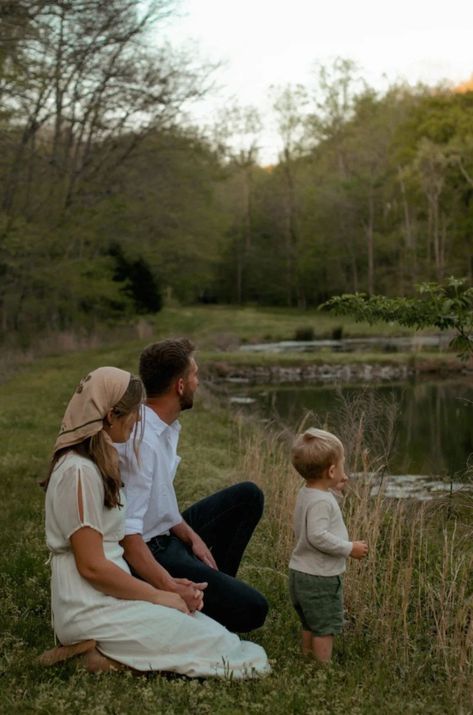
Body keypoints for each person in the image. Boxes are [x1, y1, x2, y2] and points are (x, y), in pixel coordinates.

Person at [41, 366, 270, 677]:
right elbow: (92, 566)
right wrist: (160, 595)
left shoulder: (95, 465)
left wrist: (170, 587)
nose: (138, 420)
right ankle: (96, 658)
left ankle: (105, 656)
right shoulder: (78, 472)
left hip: (112, 590)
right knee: (232, 657)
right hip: (89, 604)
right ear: (111, 416)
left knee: (221, 638)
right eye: (134, 412)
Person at [116, 338, 269, 633]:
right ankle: (204, 606)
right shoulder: (144, 442)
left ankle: (211, 589)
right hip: (151, 550)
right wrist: (168, 585)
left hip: (166, 531)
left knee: (247, 496)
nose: (198, 382)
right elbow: (129, 535)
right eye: (195, 375)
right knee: (253, 610)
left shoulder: (163, 426)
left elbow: (159, 500)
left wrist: (191, 536)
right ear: (180, 385)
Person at [288, 427, 369, 663]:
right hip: (319, 577)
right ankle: (322, 671)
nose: (344, 471)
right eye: (342, 465)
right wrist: (349, 548)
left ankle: (307, 661)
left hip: (300, 573)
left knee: (310, 623)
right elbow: (317, 535)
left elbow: (316, 515)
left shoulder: (308, 493)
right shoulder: (322, 501)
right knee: (324, 626)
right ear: (331, 470)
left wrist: (335, 486)